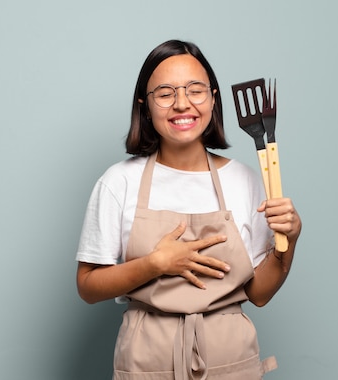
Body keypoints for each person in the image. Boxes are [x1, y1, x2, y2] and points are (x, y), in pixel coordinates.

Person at [76, 39, 302, 379]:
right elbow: (88, 286)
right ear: (145, 105)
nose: (182, 104)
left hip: (231, 361)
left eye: (195, 90)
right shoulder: (119, 182)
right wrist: (155, 264)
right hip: (146, 360)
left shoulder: (244, 180)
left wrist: (290, 241)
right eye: (165, 94)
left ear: (213, 98)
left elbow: (258, 294)